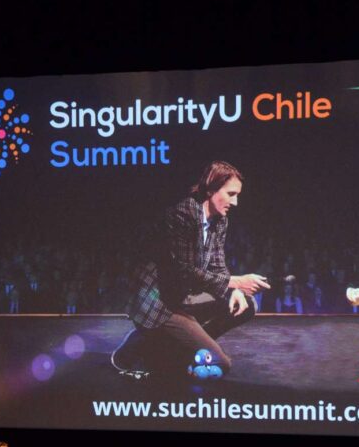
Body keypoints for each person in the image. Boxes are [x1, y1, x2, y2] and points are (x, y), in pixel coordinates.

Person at [111, 160, 269, 378]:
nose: (235, 202)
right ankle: (139, 344)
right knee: (220, 364)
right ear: (211, 189)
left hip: (185, 294)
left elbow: (217, 265)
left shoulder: (220, 221)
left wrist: (234, 290)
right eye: (231, 194)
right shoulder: (181, 214)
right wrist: (234, 282)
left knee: (247, 304)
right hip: (161, 301)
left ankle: (178, 348)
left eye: (237, 195)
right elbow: (183, 271)